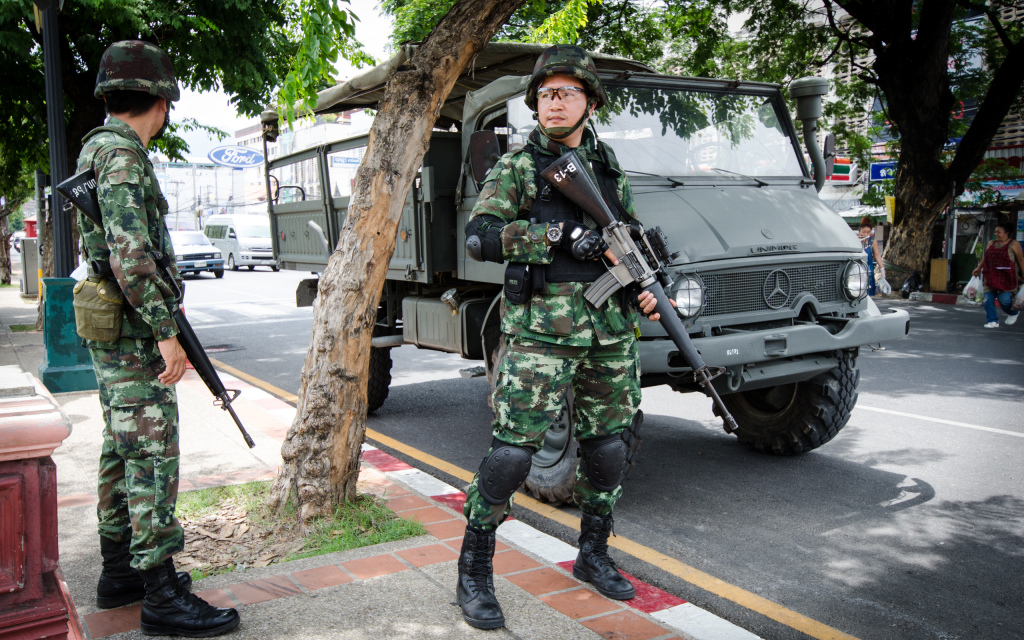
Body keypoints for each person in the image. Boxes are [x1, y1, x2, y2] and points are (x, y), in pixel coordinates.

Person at [458, 44, 668, 630]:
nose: (553, 103)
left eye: (566, 93)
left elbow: (622, 241)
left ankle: (593, 554)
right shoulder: (520, 167)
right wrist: (553, 236)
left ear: (590, 103)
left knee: (607, 449)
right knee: (511, 458)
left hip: (608, 333)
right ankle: (474, 571)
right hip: (540, 336)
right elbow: (481, 237)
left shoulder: (609, 169)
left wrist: (648, 284)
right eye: (545, 94)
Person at [77, 40, 240, 636]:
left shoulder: (102, 148)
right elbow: (131, 256)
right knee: (150, 453)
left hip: (117, 324)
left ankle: (120, 572)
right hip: (133, 329)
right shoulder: (121, 157)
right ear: (162, 101)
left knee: (121, 449)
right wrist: (166, 333)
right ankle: (160, 593)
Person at [972, 221, 1023, 328]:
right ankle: (992, 321)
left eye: (999, 232)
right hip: (991, 277)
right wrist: (978, 268)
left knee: (1004, 300)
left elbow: (1021, 260)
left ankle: (1013, 313)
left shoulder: (1014, 244)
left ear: (1007, 233)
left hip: (1007, 278)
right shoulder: (991, 243)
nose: (996, 234)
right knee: (987, 299)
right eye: (995, 232)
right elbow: (985, 258)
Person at [857, 217, 884, 296]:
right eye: (864, 232)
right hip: (857, 268)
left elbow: (877, 255)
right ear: (859, 231)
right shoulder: (855, 240)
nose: (866, 234)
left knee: (869, 292)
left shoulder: (872, 240)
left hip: (869, 269)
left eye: (868, 232)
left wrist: (882, 268)